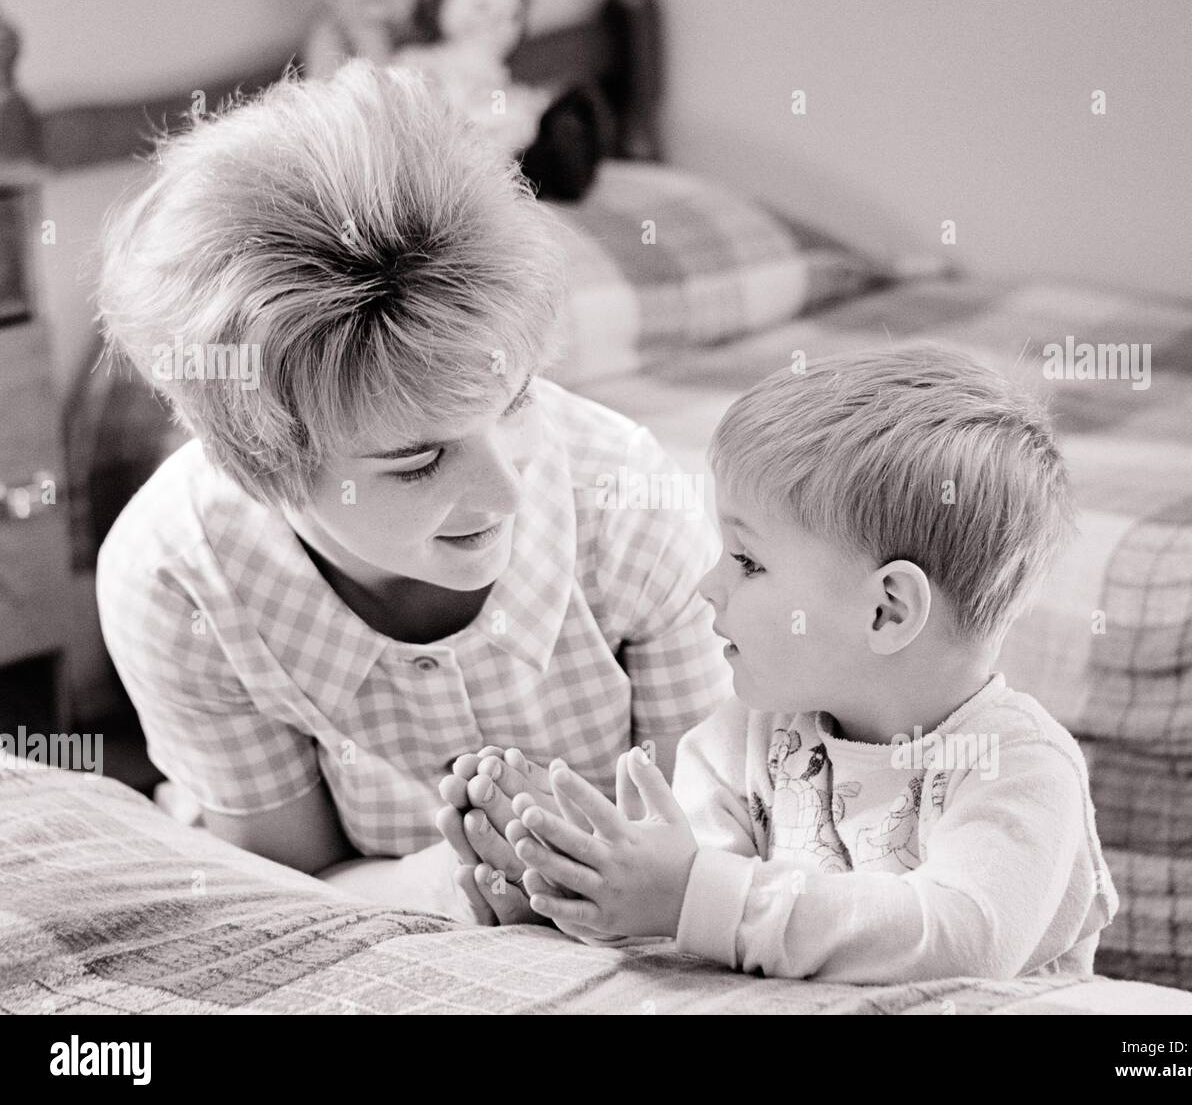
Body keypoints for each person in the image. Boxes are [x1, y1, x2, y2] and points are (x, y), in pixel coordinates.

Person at [94, 61, 731, 925]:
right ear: (262, 462)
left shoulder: (631, 503)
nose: (507, 490)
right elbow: (293, 886)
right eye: (416, 461)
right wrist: (460, 886)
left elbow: (717, 840)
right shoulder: (176, 577)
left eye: (514, 404)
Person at [497, 345, 1121, 981]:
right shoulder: (740, 739)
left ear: (887, 611)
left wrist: (692, 895)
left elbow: (963, 942)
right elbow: (693, 935)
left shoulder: (1018, 767)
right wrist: (578, 887)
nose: (706, 585)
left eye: (748, 561)